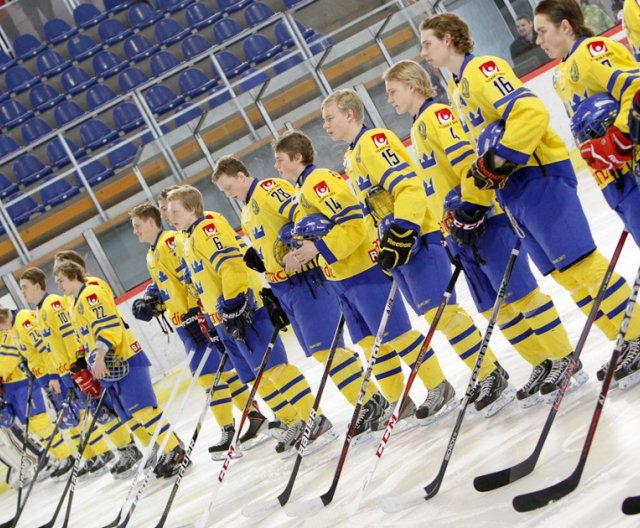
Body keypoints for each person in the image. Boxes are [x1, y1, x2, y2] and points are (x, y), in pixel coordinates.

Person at [418, 12, 640, 398]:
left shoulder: (484, 69)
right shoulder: (456, 90)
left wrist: (502, 157)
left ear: (450, 39)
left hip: (538, 176)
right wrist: (473, 202)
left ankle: (636, 334)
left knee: (582, 265)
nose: (424, 54)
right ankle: (622, 339)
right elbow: (482, 155)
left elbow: (530, 112)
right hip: (513, 190)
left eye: (428, 44)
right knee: (566, 275)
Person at [382, 58, 590, 407]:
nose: (389, 100)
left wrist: (470, 205)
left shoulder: (437, 116)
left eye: (393, 91)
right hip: (458, 231)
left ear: (414, 86)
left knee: (522, 295)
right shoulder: (418, 127)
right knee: (497, 308)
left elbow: (468, 160)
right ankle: (541, 362)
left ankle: (565, 359)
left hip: (484, 220)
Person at [320, 88, 519, 417]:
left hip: (416, 239)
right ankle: (479, 375)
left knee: (444, 313)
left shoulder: (374, 142)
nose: (326, 125)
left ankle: (491, 374)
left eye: (330, 118)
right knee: (434, 316)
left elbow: (408, 185)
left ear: (350, 114)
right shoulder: (351, 157)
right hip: (398, 246)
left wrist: (403, 230)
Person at [273, 129, 457, 424]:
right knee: (372, 344)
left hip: (363, 271)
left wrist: (318, 247)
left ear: (297, 158)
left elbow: (354, 224)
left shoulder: (320, 182)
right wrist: (301, 249)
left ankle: (439, 386)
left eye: (281, 160)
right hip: (339, 277)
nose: (277, 167)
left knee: (397, 335)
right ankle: (400, 401)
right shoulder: (302, 189)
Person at [212, 156, 385, 436]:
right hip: (285, 289)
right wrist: (264, 263)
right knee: (323, 353)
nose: (227, 193)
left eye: (228, 185)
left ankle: (370, 401)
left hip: (306, 281)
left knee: (326, 350)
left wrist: (300, 247)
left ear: (242, 175)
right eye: (223, 190)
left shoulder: (268, 189)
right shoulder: (246, 211)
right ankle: (367, 399)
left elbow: (305, 216)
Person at [165, 185, 330, 454]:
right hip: (223, 318)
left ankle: (316, 417)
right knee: (255, 377)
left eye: (174, 211)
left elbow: (231, 267)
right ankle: (294, 420)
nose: (170, 217)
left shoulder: (208, 228)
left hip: (245, 310)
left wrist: (233, 303)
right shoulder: (187, 238)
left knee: (274, 367)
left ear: (192, 208)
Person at [534, 0, 640, 388]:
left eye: (543, 30)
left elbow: (635, 87)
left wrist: (624, 135)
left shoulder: (594, 51)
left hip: (632, 168)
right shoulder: (563, 73)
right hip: (614, 180)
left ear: (565, 27)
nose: (539, 39)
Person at [129, 201, 269, 457]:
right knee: (223, 373)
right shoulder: (153, 253)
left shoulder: (170, 241)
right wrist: (151, 299)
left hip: (196, 320)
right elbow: (169, 284)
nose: (135, 231)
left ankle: (228, 429)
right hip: (185, 323)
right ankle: (254, 415)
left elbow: (190, 276)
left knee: (210, 378)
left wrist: (197, 313)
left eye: (138, 226)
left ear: (150, 222)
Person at [53, 261, 188, 479]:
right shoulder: (73, 304)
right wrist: (81, 360)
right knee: (130, 416)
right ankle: (162, 448)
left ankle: (175, 450)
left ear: (72, 275)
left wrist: (99, 354)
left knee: (143, 410)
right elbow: (85, 336)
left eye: (60, 280)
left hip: (124, 359)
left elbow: (110, 327)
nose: (58, 285)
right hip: (106, 367)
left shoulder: (91, 294)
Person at [19, 267, 143, 480]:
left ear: (38, 286)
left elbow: (70, 338)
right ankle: (122, 450)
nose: (23, 293)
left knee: (101, 411)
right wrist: (54, 376)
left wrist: (77, 366)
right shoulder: (39, 312)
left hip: (74, 369)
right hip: (64, 373)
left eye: (25, 288)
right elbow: (50, 350)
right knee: (94, 413)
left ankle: (129, 449)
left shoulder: (53, 305)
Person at [0, 308, 75, 480]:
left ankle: (67, 457)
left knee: (40, 422)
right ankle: (58, 458)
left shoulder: (12, 325)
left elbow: (8, 360)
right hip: (9, 388)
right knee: (32, 428)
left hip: (23, 383)